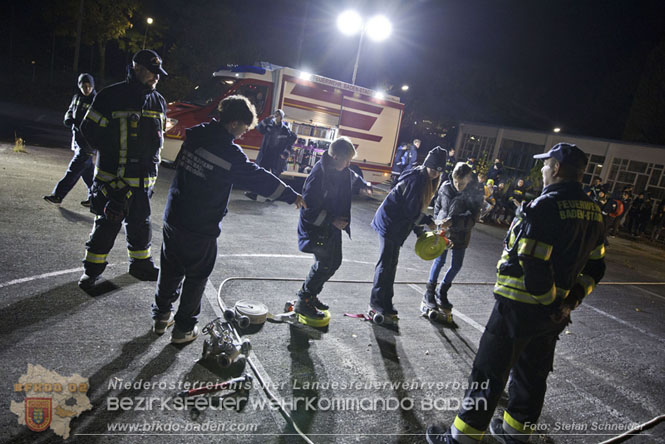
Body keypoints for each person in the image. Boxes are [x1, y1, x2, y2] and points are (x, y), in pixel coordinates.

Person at [426, 143, 606, 444]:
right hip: (554, 315)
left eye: (546, 165)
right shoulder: (594, 213)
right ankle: (516, 433)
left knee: (488, 372)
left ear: (557, 169)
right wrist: (568, 302)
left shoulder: (545, 207)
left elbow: (533, 260)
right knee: (533, 375)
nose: (544, 170)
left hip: (518, 308)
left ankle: (463, 438)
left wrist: (548, 301)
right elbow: (597, 266)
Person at [152, 95, 306, 343]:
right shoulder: (229, 153)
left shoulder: (195, 135)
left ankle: (161, 317)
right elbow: (257, 177)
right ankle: (183, 329)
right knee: (196, 275)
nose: (244, 134)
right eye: (244, 128)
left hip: (175, 215)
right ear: (234, 123)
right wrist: (290, 195)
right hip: (201, 225)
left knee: (170, 268)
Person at [78, 49, 168, 289]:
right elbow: (88, 132)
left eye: (158, 73)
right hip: (113, 181)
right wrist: (112, 155)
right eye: (152, 73)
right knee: (106, 227)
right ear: (137, 69)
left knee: (141, 226)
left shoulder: (158, 101)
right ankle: (92, 271)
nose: (156, 78)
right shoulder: (110, 96)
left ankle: (141, 265)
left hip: (143, 184)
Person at [294, 137, 372, 318]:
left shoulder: (342, 169)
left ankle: (310, 295)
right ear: (335, 156)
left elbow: (352, 176)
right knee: (325, 264)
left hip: (332, 228)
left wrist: (363, 185)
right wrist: (332, 220)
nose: (349, 164)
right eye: (347, 160)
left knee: (333, 262)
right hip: (318, 230)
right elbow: (309, 210)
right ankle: (304, 300)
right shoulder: (318, 176)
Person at [369, 146, 447, 321]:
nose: (435, 173)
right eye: (433, 169)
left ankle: (386, 302)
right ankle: (376, 303)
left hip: (397, 225)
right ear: (427, 165)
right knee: (385, 265)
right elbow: (411, 211)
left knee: (391, 264)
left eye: (438, 171)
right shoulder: (417, 180)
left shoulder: (425, 179)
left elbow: (413, 212)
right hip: (389, 223)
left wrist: (419, 232)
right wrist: (427, 222)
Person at [422, 162, 483, 314]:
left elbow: (473, 218)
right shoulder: (445, 187)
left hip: (461, 234)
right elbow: (437, 207)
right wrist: (437, 223)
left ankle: (442, 291)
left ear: (469, 179)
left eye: (461, 183)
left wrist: (454, 221)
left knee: (456, 265)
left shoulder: (475, 193)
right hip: (443, 232)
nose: (458, 185)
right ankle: (430, 291)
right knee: (439, 261)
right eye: (456, 181)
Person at [44, 73, 97, 206]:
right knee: (88, 173)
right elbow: (70, 110)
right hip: (78, 140)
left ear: (93, 86)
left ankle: (58, 195)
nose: (86, 89)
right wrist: (68, 118)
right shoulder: (77, 97)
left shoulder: (96, 100)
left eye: (89, 86)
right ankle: (96, 199)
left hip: (87, 143)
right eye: (83, 86)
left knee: (73, 170)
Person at [245, 109, 296, 200]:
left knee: (274, 178)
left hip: (276, 157)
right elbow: (259, 128)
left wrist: (284, 153)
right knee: (260, 174)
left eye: (278, 115)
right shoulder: (269, 126)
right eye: (275, 114)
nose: (276, 116)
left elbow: (291, 141)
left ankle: (273, 197)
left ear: (281, 117)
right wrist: (267, 119)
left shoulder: (285, 129)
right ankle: (254, 194)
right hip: (266, 155)